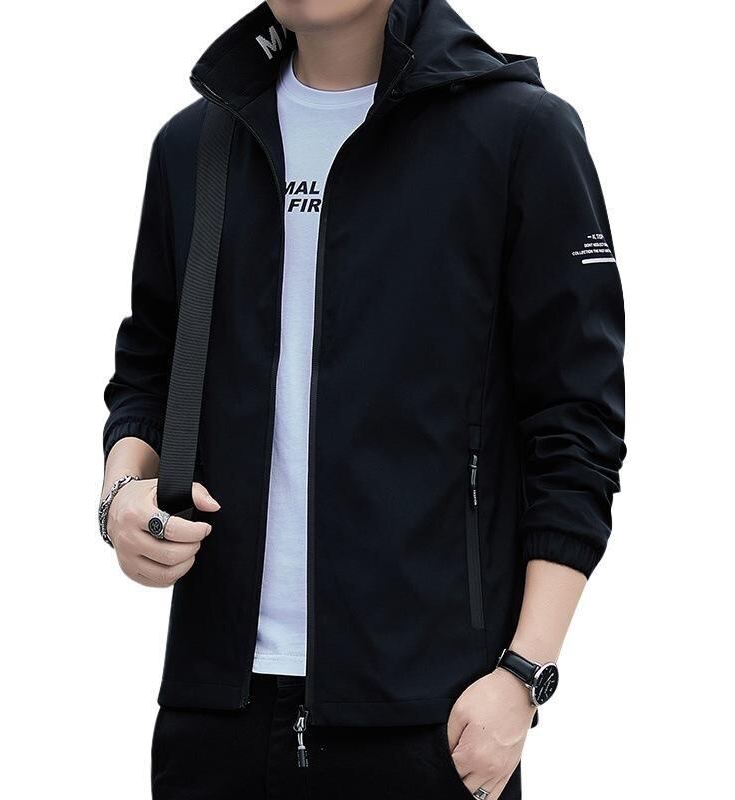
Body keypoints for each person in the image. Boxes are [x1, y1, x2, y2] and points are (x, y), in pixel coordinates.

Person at [99, 1, 626, 797]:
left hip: (433, 715)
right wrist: (120, 497)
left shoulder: (520, 133)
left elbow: (576, 421)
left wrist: (524, 674)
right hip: (213, 713)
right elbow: (149, 369)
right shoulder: (195, 144)